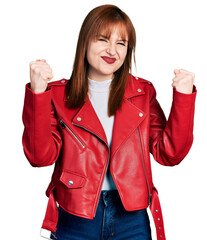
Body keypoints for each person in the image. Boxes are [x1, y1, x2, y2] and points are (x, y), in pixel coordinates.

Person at [22, 4, 196, 240]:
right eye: (103, 39)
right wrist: (38, 94)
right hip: (76, 216)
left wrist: (183, 99)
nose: (112, 50)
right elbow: (39, 157)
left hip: (131, 218)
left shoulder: (143, 93)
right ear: (85, 42)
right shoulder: (57, 94)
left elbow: (170, 153)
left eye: (121, 43)